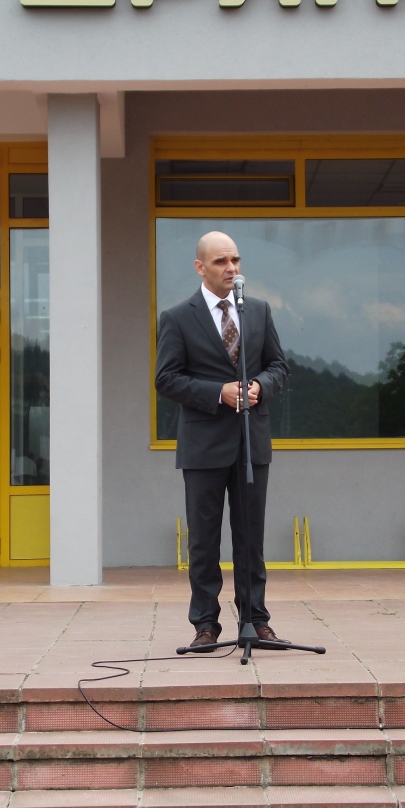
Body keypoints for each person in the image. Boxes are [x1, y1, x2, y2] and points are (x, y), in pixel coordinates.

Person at [154, 231, 291, 651]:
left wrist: (260, 387)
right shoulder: (178, 317)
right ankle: (205, 625)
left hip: (251, 443)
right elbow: (166, 379)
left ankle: (255, 620)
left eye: (235, 260)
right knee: (204, 540)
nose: (231, 268)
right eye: (221, 262)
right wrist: (219, 393)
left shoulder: (258, 310)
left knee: (251, 538)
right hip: (203, 446)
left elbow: (279, 366)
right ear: (200, 267)